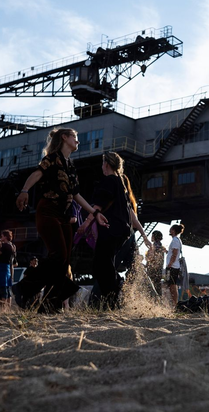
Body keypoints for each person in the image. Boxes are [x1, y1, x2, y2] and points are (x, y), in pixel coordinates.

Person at [15, 128, 106, 312]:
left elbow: (76, 194)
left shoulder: (71, 166)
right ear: (64, 138)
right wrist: (24, 191)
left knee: (63, 263)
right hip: (48, 210)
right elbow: (37, 173)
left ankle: (50, 306)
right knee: (59, 255)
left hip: (64, 216)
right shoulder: (51, 158)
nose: (78, 142)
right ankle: (23, 287)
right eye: (76, 137)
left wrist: (95, 213)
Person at [87, 151, 133, 310]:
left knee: (99, 265)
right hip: (121, 230)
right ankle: (114, 297)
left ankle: (115, 294)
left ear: (106, 164)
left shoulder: (108, 181)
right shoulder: (121, 182)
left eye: (102, 163)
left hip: (109, 227)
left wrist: (85, 224)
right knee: (106, 264)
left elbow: (97, 206)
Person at [0, 230, 16, 309]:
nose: (0, 238)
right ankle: (7, 308)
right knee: (7, 288)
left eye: (2, 236)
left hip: (2, 268)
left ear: (5, 237)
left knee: (2, 287)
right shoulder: (12, 246)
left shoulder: (5, 245)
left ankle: (2, 307)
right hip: (7, 268)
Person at [165, 224, 184, 306]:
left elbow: (175, 253)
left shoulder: (175, 240)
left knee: (172, 285)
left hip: (173, 266)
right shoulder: (177, 240)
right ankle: (174, 303)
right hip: (174, 266)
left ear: (173, 230)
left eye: (170, 229)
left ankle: (174, 304)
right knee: (171, 285)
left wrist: (170, 264)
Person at [145, 230, 167, 296]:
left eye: (152, 235)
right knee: (158, 288)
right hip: (159, 270)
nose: (151, 237)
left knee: (150, 287)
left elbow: (151, 258)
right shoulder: (161, 247)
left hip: (152, 270)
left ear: (154, 236)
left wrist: (146, 260)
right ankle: (158, 303)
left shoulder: (154, 245)